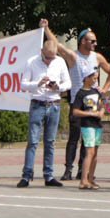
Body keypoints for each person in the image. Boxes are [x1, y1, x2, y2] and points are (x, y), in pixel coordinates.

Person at [52, 25, 110, 181]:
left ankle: (83, 169)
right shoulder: (73, 56)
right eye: (92, 41)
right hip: (77, 99)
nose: (95, 43)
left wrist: (104, 88)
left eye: (95, 41)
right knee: (73, 137)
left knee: (88, 139)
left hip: (92, 101)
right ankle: (68, 169)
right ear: (82, 41)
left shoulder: (97, 57)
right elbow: (57, 45)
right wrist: (46, 29)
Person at [17, 26, 71, 188]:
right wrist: (37, 83)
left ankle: (49, 175)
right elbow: (23, 84)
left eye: (52, 58)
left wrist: (57, 87)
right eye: (47, 58)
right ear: (42, 51)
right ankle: (27, 175)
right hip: (38, 103)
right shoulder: (32, 62)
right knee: (33, 141)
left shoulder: (60, 62)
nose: (49, 61)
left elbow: (68, 83)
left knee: (50, 141)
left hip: (53, 103)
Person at [70, 70, 104, 190]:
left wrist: (100, 112)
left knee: (95, 153)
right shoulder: (80, 93)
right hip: (87, 125)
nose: (95, 81)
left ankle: (90, 179)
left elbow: (101, 105)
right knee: (89, 152)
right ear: (86, 78)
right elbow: (75, 111)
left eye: (96, 78)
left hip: (97, 125)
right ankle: (83, 180)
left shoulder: (96, 92)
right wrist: (89, 113)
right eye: (94, 78)